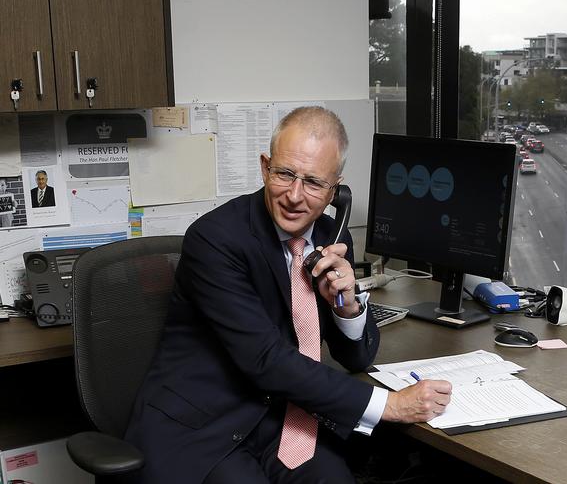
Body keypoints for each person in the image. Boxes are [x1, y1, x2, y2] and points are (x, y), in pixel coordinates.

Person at [125, 106, 452, 484]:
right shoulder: (215, 240)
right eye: (284, 174)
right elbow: (265, 359)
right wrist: (389, 405)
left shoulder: (332, 238)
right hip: (202, 427)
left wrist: (346, 304)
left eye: (314, 182)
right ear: (266, 167)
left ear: (336, 190)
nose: (294, 196)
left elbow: (357, 357)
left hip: (283, 422)